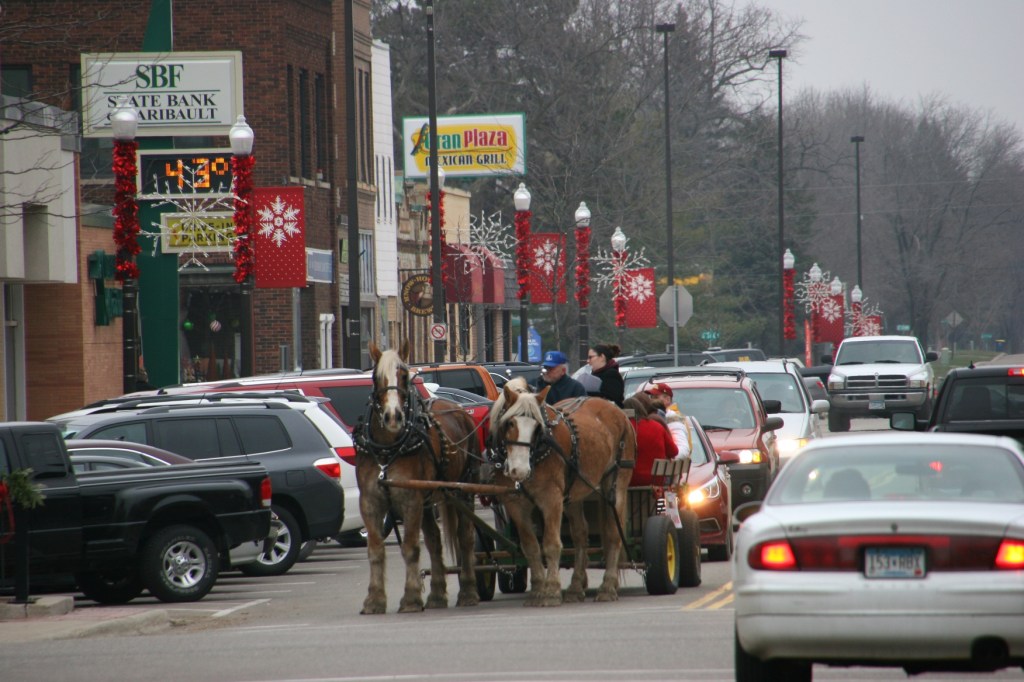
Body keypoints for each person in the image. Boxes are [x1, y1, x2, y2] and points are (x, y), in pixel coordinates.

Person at [623, 392, 678, 486]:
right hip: (657, 482)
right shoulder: (657, 426)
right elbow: (674, 451)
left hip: (629, 481)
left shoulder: (624, 428)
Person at [586, 342, 624, 407]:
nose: (588, 361)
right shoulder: (593, 374)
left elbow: (611, 398)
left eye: (590, 357)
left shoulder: (611, 374)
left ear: (602, 357)